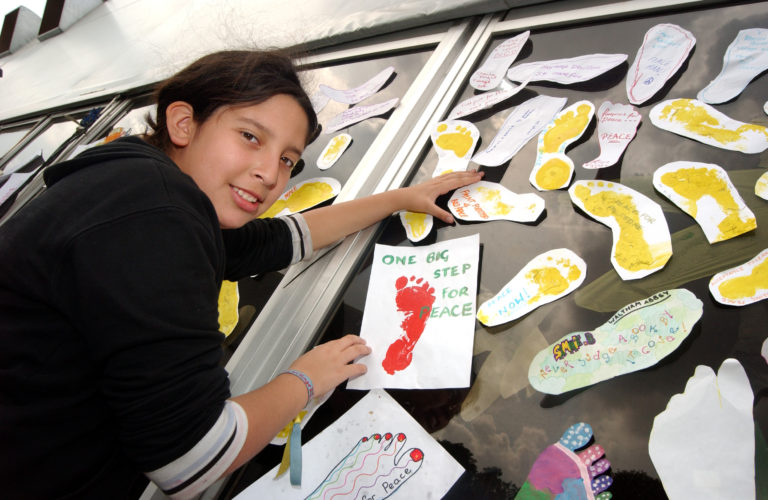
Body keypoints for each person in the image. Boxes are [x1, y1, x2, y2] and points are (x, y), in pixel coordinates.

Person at [0, 49, 482, 499]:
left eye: (288, 160)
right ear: (184, 122)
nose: (271, 174)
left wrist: (399, 199)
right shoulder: (153, 213)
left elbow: (278, 240)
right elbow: (190, 461)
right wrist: (306, 379)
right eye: (251, 137)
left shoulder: (135, 190)